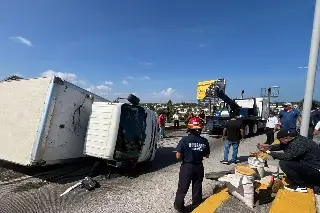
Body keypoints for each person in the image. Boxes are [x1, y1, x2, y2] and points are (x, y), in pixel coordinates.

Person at [174, 117, 210, 213]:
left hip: (187, 167)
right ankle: (196, 205)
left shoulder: (184, 140)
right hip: (199, 166)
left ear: (189, 128)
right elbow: (207, 155)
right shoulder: (204, 141)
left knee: (182, 188)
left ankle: (179, 207)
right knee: (197, 187)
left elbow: (178, 156)